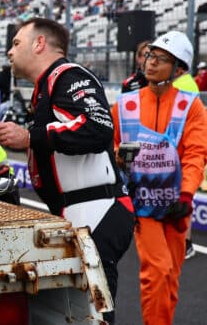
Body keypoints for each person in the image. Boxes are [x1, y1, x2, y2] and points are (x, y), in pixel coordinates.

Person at [0, 17, 134, 325]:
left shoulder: (67, 75)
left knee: (93, 317)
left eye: (15, 43)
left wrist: (30, 137)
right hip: (78, 216)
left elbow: (98, 128)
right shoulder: (46, 88)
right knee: (68, 316)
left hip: (98, 213)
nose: (9, 53)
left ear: (39, 44)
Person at [111, 30, 207, 325]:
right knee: (157, 271)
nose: (150, 63)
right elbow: (111, 147)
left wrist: (187, 195)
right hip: (142, 203)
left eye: (160, 59)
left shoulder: (192, 106)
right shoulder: (124, 105)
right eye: (150, 55)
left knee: (171, 278)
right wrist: (120, 160)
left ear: (179, 69)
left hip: (177, 204)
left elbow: (195, 154)